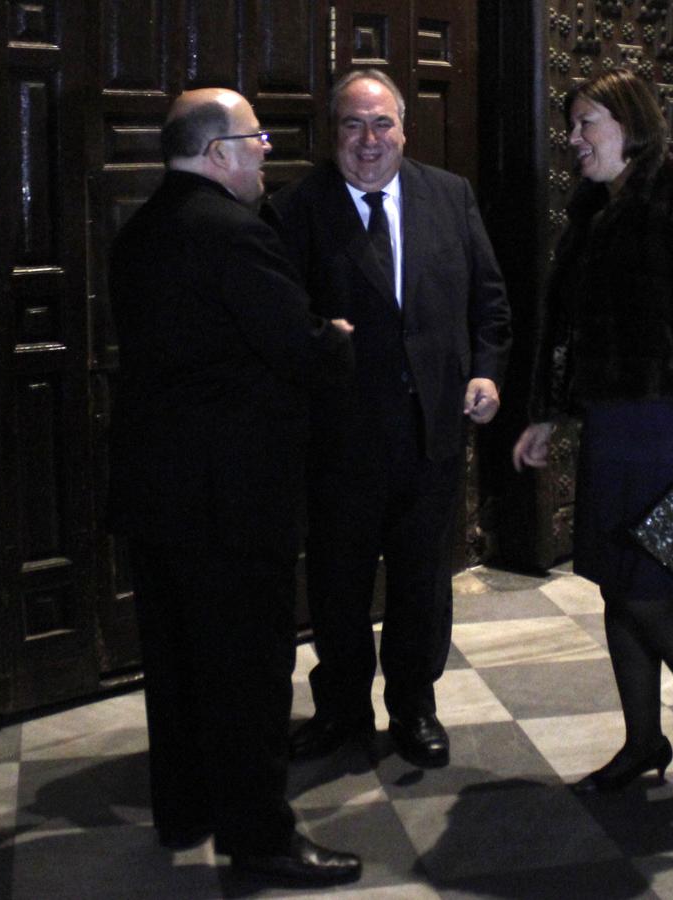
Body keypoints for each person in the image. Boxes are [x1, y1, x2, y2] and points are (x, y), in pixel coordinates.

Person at [106, 87, 360, 886]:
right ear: (217, 152)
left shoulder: (140, 231)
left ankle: (185, 810)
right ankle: (263, 840)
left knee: (177, 666)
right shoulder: (235, 234)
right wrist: (336, 339)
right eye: (255, 142)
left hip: (158, 494)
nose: (265, 156)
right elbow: (295, 348)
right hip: (234, 499)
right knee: (250, 676)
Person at [512, 68, 673, 814]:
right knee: (619, 589)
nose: (574, 139)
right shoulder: (592, 207)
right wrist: (548, 414)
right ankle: (644, 740)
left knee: (651, 595)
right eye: (573, 125)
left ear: (630, 122)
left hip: (668, 425)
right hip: (613, 424)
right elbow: (570, 330)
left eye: (588, 123)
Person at [273, 69, 512, 769]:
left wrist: (487, 371)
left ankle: (414, 706)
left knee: (421, 582)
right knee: (339, 586)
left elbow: (489, 304)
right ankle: (341, 709)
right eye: (353, 125)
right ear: (332, 133)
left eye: (382, 124)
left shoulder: (450, 196)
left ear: (404, 129)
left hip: (430, 434)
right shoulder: (295, 209)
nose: (369, 140)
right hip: (341, 440)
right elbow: (280, 325)